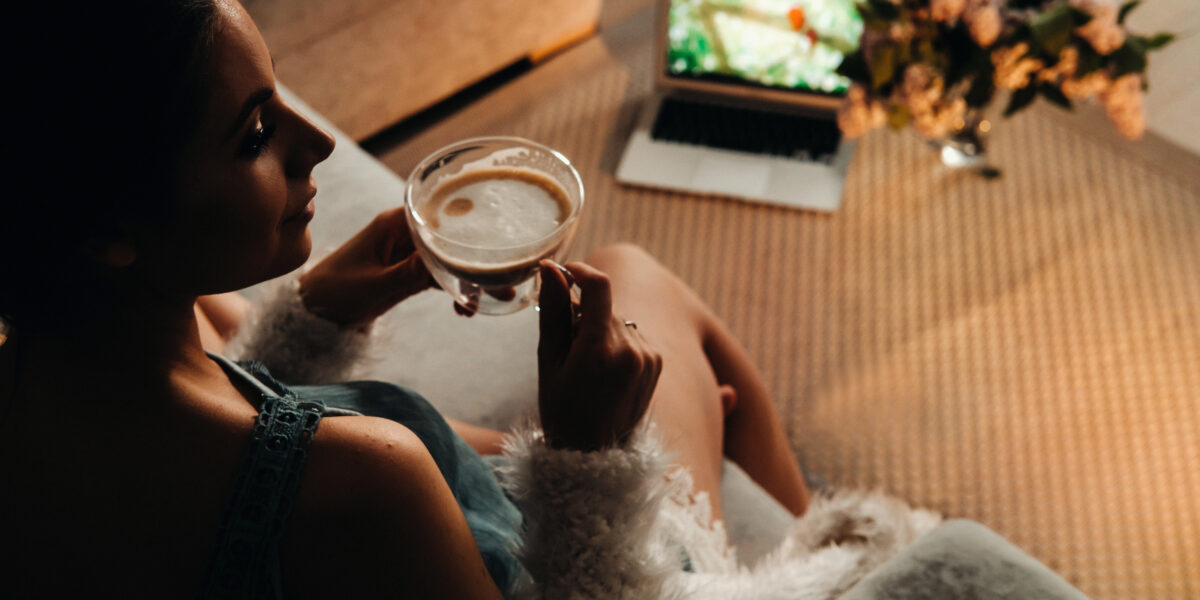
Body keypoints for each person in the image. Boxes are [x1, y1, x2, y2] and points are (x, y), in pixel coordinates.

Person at [0, 1, 935, 598]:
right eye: (252, 134)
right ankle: (801, 555)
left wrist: (320, 312)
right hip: (590, 573)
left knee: (678, 363)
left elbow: (221, 424)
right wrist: (586, 464)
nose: (319, 143)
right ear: (107, 230)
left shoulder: (51, 366)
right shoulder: (367, 481)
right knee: (647, 288)